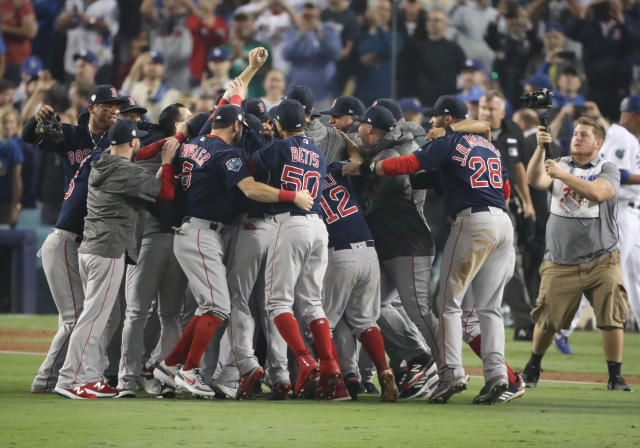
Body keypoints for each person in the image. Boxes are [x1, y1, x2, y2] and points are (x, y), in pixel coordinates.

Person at [344, 96, 516, 405]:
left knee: (446, 304)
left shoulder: (448, 140)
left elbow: (410, 163)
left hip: (474, 222)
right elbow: (505, 189)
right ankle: (497, 377)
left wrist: (369, 166)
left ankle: (450, 372)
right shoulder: (489, 146)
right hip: (503, 223)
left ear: (448, 119)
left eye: (435, 118)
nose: (431, 123)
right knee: (488, 309)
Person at [154, 86, 315, 399]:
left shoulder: (198, 140)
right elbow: (252, 189)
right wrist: (291, 195)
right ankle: (187, 372)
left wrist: (242, 83)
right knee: (218, 306)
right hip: (201, 232)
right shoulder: (225, 153)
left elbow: (227, 103)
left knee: (209, 306)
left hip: (195, 230)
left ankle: (171, 365)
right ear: (237, 127)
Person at [52, 119, 179, 399]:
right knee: (95, 318)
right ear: (133, 143)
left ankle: (90, 376)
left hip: (91, 248)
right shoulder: (125, 170)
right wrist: (167, 162)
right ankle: (70, 379)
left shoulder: (99, 160)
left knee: (106, 317)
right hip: (107, 250)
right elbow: (165, 192)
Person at [523, 116, 632, 392]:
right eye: (574, 133)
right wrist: (539, 148)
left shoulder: (608, 168)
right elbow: (534, 179)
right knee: (547, 320)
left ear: (598, 143)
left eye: (584, 134)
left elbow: (599, 192)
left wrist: (562, 175)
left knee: (611, 318)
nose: (577, 137)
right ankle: (533, 366)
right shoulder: (557, 164)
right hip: (560, 260)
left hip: (602, 258)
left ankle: (615, 376)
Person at [248, 98, 345, 400]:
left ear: (278, 124)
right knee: (313, 304)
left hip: (290, 222)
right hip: (319, 227)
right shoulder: (317, 152)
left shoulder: (277, 147)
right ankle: (330, 365)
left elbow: (251, 168)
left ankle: (305, 360)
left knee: (278, 303)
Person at [319, 159, 399, 402]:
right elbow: (355, 159)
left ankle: (338, 385)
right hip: (367, 249)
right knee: (365, 321)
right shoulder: (334, 168)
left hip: (338, 252)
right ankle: (383, 369)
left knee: (323, 322)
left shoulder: (303, 179)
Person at [597, 96, 640, 329]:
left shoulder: (621, 135)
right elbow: (619, 175)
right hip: (620, 211)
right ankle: (566, 326)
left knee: (636, 276)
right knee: (608, 269)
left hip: (630, 213)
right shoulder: (622, 136)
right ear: (633, 115)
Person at [565, 0, 634, 120]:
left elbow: (633, 44)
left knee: (620, 130)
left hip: (619, 90)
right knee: (593, 129)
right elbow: (570, 32)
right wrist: (585, 12)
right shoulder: (590, 26)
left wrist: (620, 20)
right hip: (595, 89)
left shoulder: (627, 23)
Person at [398, 8, 465, 107]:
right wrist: (413, 95)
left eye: (437, 20)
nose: (432, 23)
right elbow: (407, 74)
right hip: (421, 103)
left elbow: (463, 73)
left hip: (447, 103)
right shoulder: (415, 48)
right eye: (430, 20)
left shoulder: (454, 49)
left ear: (445, 25)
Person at [282, 2, 341, 110]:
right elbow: (286, 55)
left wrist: (320, 34)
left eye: (311, 8)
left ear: (318, 10)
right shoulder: (294, 31)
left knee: (323, 125)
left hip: (322, 92)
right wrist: (300, 35)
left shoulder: (329, 30)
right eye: (305, 8)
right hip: (296, 92)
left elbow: (335, 54)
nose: (308, 12)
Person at [56, 0, 119, 84]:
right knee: (73, 93)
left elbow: (112, 29)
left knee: (99, 94)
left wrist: (91, 20)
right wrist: (71, 15)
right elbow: (59, 24)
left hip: (99, 58)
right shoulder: (72, 1)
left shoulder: (109, 3)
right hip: (73, 57)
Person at [141, 0, 194, 91]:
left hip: (180, 71)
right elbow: (145, 11)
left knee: (179, 102)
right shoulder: (158, 15)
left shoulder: (187, 15)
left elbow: (196, 13)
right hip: (157, 67)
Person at [121, 52, 181, 123]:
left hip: (163, 133)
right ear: (142, 67)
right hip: (137, 131)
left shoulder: (173, 94)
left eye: (156, 63)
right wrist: (137, 64)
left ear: (163, 68)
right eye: (149, 63)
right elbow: (124, 91)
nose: (152, 66)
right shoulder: (133, 88)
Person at [321, 0, 360, 96]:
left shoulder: (351, 17)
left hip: (341, 72)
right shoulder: (323, 14)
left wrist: (330, 55)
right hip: (321, 71)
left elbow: (348, 49)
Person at [186, 0, 229, 83]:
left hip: (217, 71)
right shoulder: (193, 19)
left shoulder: (222, 23)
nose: (208, 2)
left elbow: (226, 45)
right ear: (199, 2)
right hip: (196, 71)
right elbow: (195, 27)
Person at [448, 0, 496, 73]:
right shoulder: (463, 8)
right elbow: (448, 21)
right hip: (466, 57)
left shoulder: (493, 13)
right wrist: (457, 4)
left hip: (487, 60)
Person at [0, 0, 38, 84]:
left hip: (15, 63)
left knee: (13, 94)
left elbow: (30, 32)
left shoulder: (22, 4)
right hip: (3, 59)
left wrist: (3, 29)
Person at [0, 109, 24, 228]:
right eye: (4, 122)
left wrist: (16, 205)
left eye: (11, 122)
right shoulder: (3, 144)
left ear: (17, 124)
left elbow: (17, 178)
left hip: (8, 202)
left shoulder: (17, 145)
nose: (7, 125)